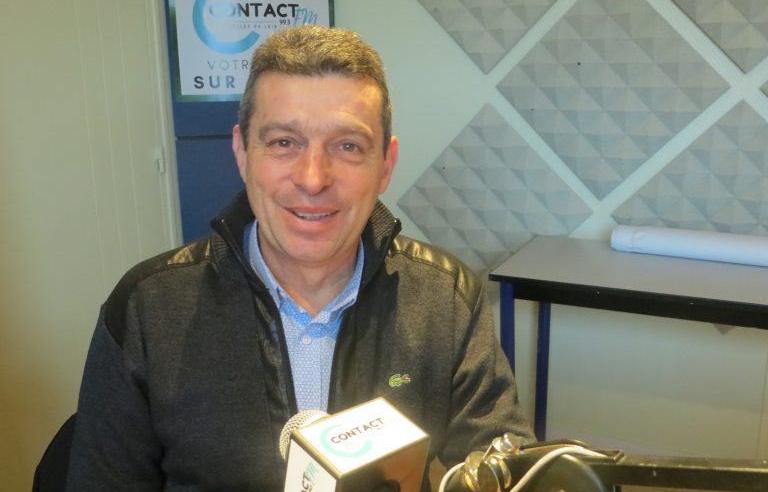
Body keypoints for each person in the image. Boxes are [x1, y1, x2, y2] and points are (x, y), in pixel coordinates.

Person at [66, 25, 533, 492]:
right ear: (242, 153)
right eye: (283, 142)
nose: (313, 179)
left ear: (385, 166)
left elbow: (506, 470)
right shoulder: (149, 310)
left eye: (348, 146)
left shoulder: (445, 300)